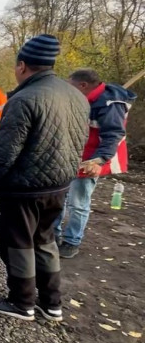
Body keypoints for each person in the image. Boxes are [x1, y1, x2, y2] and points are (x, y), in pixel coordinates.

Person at [0, 34, 89, 322]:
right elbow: (79, 139)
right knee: (45, 241)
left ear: (22, 65)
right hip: (59, 185)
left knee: (17, 243)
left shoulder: (24, 99)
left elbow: (4, 152)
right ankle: (52, 304)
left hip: (24, 189)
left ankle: (22, 303)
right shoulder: (76, 95)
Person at [55, 68, 137, 259]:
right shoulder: (83, 100)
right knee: (58, 197)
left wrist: (99, 160)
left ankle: (71, 241)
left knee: (78, 202)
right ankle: (53, 235)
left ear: (83, 85)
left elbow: (113, 135)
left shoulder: (110, 104)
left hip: (91, 159)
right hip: (71, 155)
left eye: (72, 86)